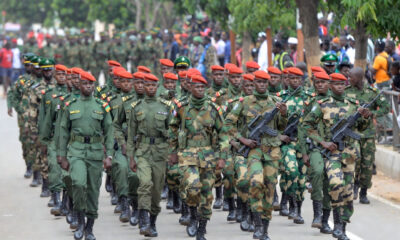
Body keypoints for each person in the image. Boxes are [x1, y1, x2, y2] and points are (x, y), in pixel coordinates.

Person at [302, 72, 371, 240]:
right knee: (335, 183)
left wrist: (365, 118)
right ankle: (335, 221)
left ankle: (341, 226)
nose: (340, 87)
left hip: (349, 155)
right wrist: (323, 143)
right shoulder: (322, 104)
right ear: (331, 85)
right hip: (332, 154)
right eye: (336, 84)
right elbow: (306, 125)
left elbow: (360, 128)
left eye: (342, 84)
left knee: (347, 193)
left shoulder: (353, 105)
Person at [224, 70, 287, 240]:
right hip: (254, 150)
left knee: (270, 187)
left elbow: (281, 127)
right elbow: (228, 123)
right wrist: (242, 139)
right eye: (257, 82)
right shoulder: (244, 103)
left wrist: (283, 114)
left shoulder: (275, 102)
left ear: (267, 84)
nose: (260, 85)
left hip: (272, 150)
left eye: (263, 82)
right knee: (255, 182)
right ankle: (257, 223)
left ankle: (264, 228)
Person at [169, 74, 227, 240]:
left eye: (203, 87)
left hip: (208, 156)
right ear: (191, 88)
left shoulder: (212, 108)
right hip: (187, 155)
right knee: (192, 187)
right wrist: (173, 152)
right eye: (197, 87)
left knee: (207, 194)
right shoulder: (182, 107)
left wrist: (222, 156)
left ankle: (202, 228)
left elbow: (223, 133)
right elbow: (172, 129)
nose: (200, 90)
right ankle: (193, 215)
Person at [58, 71, 114, 240]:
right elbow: (62, 131)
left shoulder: (101, 106)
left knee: (92, 191)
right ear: (79, 85)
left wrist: (109, 155)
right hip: (76, 150)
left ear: (94, 86)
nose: (88, 87)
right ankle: (80, 221)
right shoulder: (71, 105)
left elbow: (109, 131)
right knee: (78, 183)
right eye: (85, 84)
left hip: (96, 152)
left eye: (91, 84)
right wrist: (62, 155)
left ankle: (89, 227)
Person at [127, 73, 173, 237]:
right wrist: (131, 157)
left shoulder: (166, 106)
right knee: (144, 183)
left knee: (156, 191)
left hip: (160, 152)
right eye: (148, 85)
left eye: (154, 86)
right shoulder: (136, 107)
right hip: (143, 151)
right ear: (144, 87)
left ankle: (152, 222)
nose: (151, 88)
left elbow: (173, 133)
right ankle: (144, 220)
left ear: (157, 86)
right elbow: (131, 134)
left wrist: (172, 153)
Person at [345, 67, 389, 204]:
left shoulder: (372, 93)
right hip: (352, 133)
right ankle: (354, 185)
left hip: (368, 134)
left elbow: (385, 107)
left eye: (350, 76)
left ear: (358, 78)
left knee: (367, 164)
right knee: (354, 161)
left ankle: (364, 192)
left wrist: (372, 114)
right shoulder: (346, 92)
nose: (348, 79)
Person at [298, 71, 333, 234]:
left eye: (323, 82)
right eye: (317, 82)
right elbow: (302, 127)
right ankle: (317, 215)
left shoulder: (338, 101)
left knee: (330, 182)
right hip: (315, 147)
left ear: (329, 84)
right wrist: (304, 152)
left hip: (335, 147)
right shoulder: (311, 102)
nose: (320, 85)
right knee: (318, 173)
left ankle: (326, 220)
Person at [39, 64, 69, 216]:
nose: (63, 77)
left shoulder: (74, 95)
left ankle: (66, 202)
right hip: (54, 138)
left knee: (68, 171)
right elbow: (45, 119)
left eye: (65, 74)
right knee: (54, 167)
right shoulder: (49, 94)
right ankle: (56, 199)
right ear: (56, 76)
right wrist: (43, 140)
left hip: (70, 140)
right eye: (60, 74)